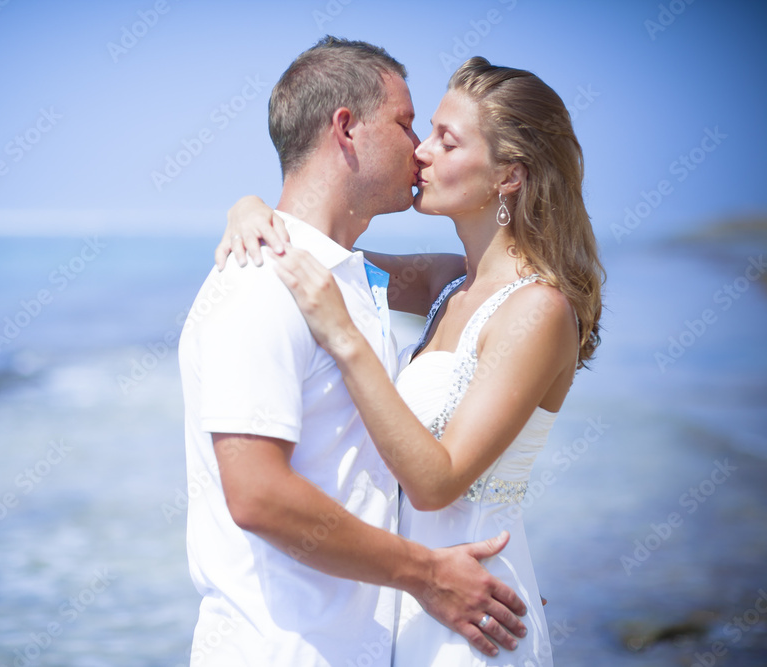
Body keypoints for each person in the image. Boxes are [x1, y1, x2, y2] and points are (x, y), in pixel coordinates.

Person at [218, 56, 605, 666]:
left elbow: (436, 482)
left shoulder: (537, 311)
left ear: (509, 176)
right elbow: (319, 250)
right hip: (414, 604)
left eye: (446, 141)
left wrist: (346, 340)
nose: (420, 152)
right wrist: (249, 210)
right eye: (423, 131)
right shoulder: (450, 282)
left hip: (475, 614)